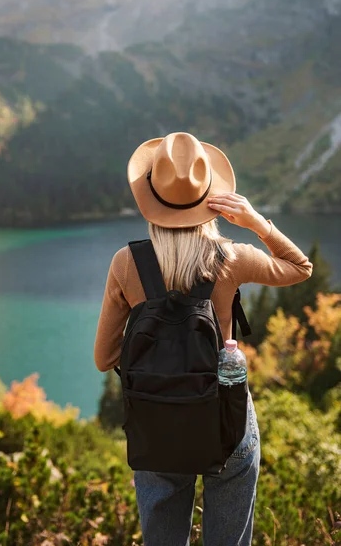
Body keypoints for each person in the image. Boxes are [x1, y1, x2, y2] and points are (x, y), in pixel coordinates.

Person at [94, 132, 313, 546]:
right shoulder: (232, 256)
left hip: (157, 421)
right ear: (209, 197)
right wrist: (255, 222)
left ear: (151, 198)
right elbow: (300, 267)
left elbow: (104, 358)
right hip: (225, 419)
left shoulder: (127, 263)